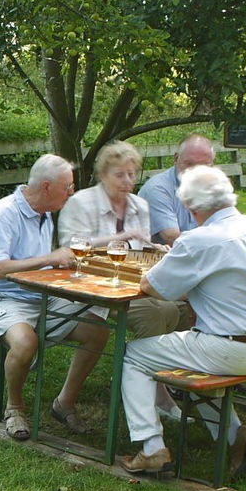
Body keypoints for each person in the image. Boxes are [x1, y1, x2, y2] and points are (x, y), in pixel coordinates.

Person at [117, 166, 246, 475]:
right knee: (193, 360)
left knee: (133, 354)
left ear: (191, 206)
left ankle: (152, 448)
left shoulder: (198, 239)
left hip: (228, 349)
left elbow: (152, 287)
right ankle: (236, 437)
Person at [0, 154, 109, 441]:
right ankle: (14, 408)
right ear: (48, 187)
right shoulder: (4, 213)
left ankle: (64, 403)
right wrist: (49, 258)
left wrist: (66, 265)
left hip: (38, 295)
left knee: (97, 327)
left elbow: (38, 264)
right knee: (26, 342)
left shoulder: (44, 213)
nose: (72, 192)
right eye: (68, 186)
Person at [62, 140, 189, 341]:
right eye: (119, 175)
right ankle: (134, 369)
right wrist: (120, 237)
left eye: (131, 174)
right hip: (92, 284)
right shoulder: (81, 203)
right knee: (153, 315)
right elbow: (69, 253)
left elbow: (139, 250)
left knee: (179, 310)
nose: (127, 181)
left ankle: (160, 366)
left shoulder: (139, 205)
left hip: (132, 284)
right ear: (103, 175)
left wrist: (156, 249)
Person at [142, 134, 218, 245]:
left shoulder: (214, 187)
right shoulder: (157, 189)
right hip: (165, 258)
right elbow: (172, 238)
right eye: (189, 163)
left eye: (203, 165)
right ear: (176, 158)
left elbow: (228, 225)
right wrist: (217, 240)